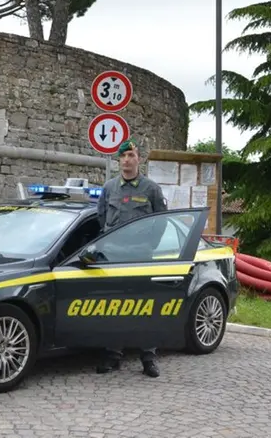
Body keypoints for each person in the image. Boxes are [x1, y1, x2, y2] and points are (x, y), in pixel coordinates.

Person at [95, 138, 167, 378]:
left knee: (144, 308)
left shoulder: (151, 189)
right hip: (114, 259)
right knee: (113, 307)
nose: (127, 160)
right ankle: (113, 354)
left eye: (131, 156)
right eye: (123, 156)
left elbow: (162, 221)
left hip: (142, 258)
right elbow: (101, 219)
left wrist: (148, 246)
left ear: (139, 159)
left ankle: (148, 357)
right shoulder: (109, 188)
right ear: (118, 160)